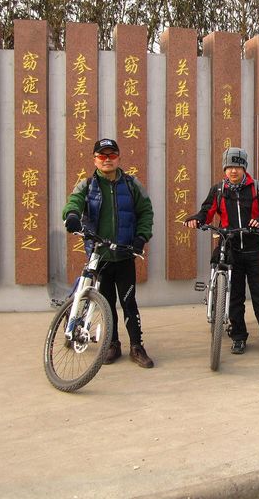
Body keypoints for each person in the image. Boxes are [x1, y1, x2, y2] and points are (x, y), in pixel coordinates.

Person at [62, 138, 155, 368]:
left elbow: (146, 211)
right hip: (100, 256)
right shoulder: (87, 185)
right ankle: (112, 344)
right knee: (106, 303)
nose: (107, 160)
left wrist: (141, 237)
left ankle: (136, 346)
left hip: (124, 254)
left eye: (112, 155)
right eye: (102, 156)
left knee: (129, 301)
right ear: (95, 159)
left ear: (119, 158)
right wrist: (71, 215)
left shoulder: (132, 184)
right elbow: (73, 203)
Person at [185, 147, 259, 358]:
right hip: (231, 249)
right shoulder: (219, 190)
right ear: (224, 169)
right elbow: (206, 212)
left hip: (255, 249)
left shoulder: (258, 188)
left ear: (244, 168)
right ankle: (238, 337)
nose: (233, 171)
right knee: (235, 296)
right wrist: (197, 219)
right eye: (229, 167)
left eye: (237, 166)